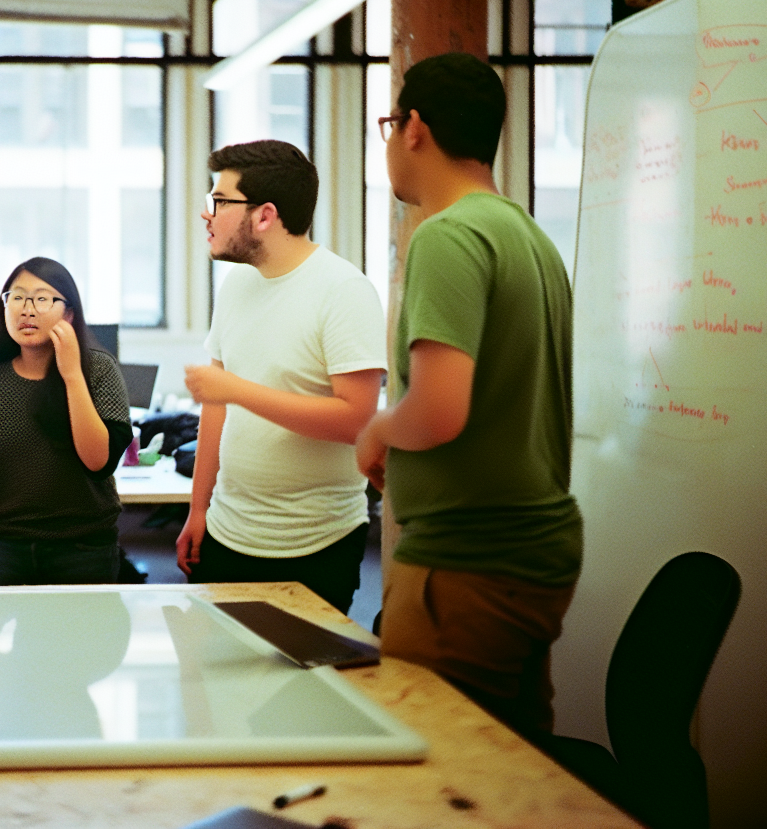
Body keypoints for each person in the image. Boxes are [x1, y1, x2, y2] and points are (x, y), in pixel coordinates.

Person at [353, 52, 582, 737]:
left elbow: (441, 410)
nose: (390, 142)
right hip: (529, 554)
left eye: (389, 124)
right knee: (512, 769)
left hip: (469, 565)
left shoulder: (447, 238)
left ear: (414, 128)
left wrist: (378, 429)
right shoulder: (528, 235)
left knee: (439, 779)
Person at [177, 140, 386, 615]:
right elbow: (216, 407)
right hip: (229, 530)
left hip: (316, 543)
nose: (206, 215)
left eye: (220, 201)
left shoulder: (344, 290)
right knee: (221, 683)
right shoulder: (236, 286)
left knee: (299, 684)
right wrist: (198, 508)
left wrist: (237, 391)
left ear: (264, 216)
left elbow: (357, 420)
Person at [0, 257, 131, 586]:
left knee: (85, 638)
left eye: (42, 298)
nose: (27, 309)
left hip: (83, 546)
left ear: (69, 314)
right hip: (8, 546)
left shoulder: (99, 370)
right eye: (16, 297)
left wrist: (72, 374)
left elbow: (99, 462)